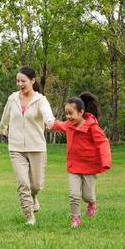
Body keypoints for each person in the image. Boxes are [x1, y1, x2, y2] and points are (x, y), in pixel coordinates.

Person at [0, 66, 55, 225]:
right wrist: (2, 128)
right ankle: (29, 216)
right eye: (18, 81)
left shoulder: (40, 100)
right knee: (23, 182)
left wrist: (50, 122)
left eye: (23, 81)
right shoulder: (12, 99)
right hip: (16, 148)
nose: (20, 84)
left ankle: (33, 196)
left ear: (32, 81)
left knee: (36, 185)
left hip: (36, 147)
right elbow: (5, 117)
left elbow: (46, 113)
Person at [49, 92, 112, 228]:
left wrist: (105, 161)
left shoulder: (92, 127)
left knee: (87, 196)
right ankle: (75, 219)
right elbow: (60, 125)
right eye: (66, 113)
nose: (68, 117)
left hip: (89, 167)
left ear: (81, 112)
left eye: (71, 113)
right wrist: (51, 125)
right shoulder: (69, 125)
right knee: (74, 195)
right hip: (73, 166)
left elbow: (103, 143)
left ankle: (92, 201)